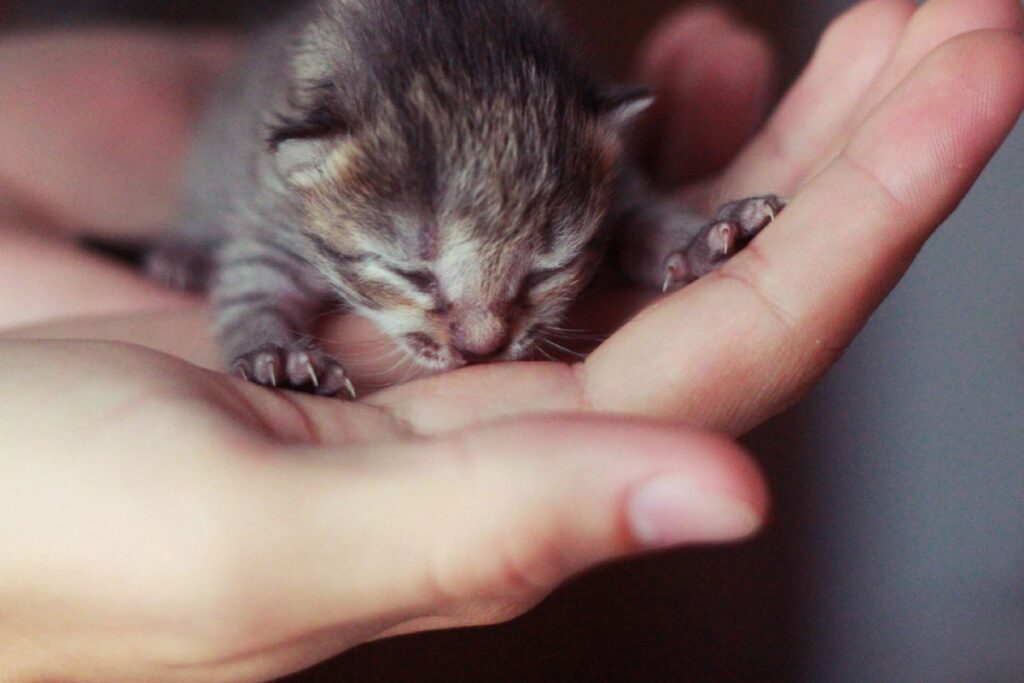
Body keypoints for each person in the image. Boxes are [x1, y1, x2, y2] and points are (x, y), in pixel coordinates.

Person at [0, 0, 1021, 680]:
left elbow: (623, 207)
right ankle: (180, 240)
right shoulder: (312, 155)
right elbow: (259, 276)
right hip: (239, 136)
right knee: (221, 252)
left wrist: (677, 239)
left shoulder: (573, 139)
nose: (484, 332)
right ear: (314, 171)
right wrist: (260, 334)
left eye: (535, 273)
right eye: (419, 280)